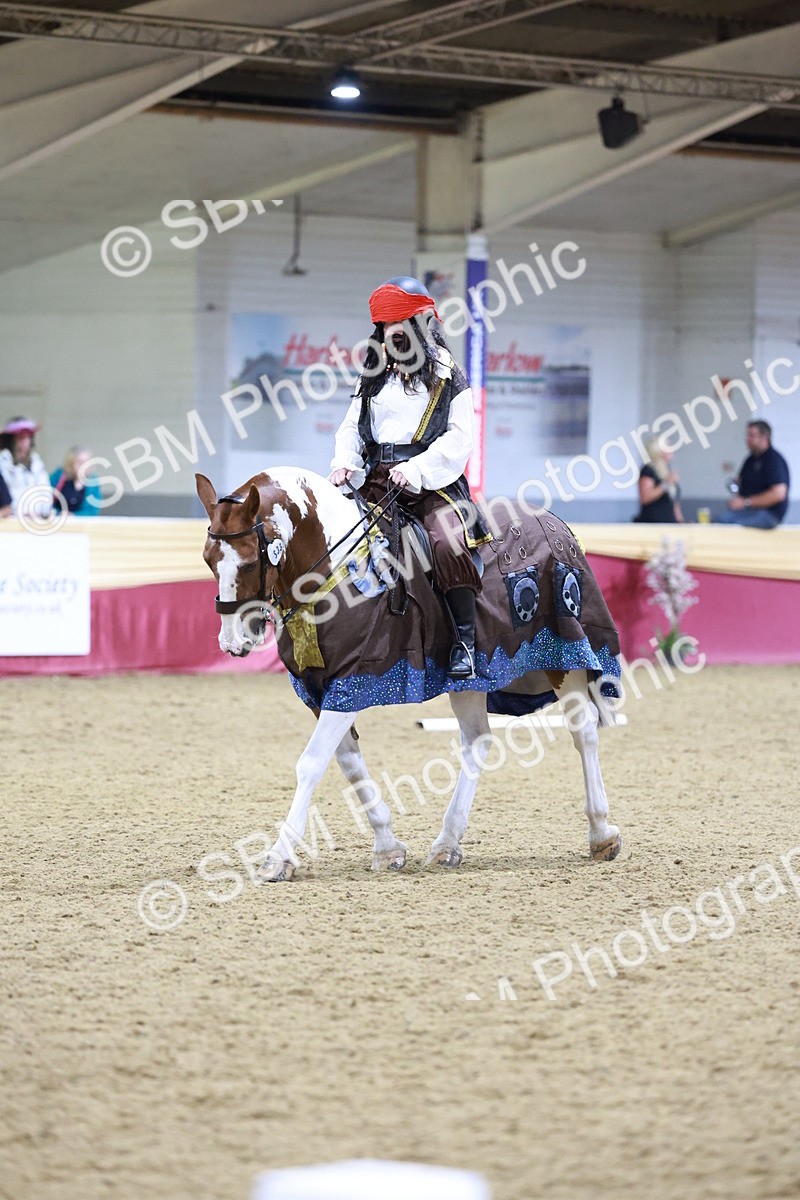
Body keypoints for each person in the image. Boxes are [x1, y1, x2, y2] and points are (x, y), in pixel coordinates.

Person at [329, 275, 490, 679]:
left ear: (421, 322)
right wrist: (344, 460)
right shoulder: (373, 369)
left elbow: (459, 438)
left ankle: (464, 645)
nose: (392, 331)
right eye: (386, 324)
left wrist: (417, 469)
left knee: (447, 541)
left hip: (431, 482)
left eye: (400, 322)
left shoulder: (446, 371)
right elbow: (352, 424)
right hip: (376, 478)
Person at [721, 420, 790, 529]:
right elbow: (739, 482)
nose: (747, 439)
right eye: (747, 435)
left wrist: (746, 502)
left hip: (768, 515)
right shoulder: (750, 460)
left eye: (752, 435)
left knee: (732, 524)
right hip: (747, 512)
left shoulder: (773, 460)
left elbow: (778, 494)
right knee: (719, 521)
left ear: (765, 438)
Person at [0, 416, 51, 515]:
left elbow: (45, 490)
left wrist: (41, 510)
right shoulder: (3, 461)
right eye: (20, 438)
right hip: (12, 518)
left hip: (35, 518)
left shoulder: (36, 462)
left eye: (28, 438)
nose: (24, 442)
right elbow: (5, 493)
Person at [633, 436, 683, 523]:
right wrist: (667, 483)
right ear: (658, 451)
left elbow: (673, 502)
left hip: (670, 522)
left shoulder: (667, 471)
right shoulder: (648, 470)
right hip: (653, 523)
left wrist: (681, 522)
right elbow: (645, 497)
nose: (671, 450)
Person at [51, 446, 103, 516]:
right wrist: (59, 514)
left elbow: (93, 511)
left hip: (82, 524)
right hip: (57, 521)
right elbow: (46, 502)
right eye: (80, 462)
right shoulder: (58, 478)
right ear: (71, 463)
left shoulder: (93, 484)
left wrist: (74, 516)